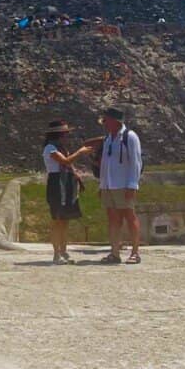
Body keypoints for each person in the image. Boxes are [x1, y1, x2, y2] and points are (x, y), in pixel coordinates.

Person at [98, 107, 143, 264]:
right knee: (112, 218)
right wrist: (102, 184)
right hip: (109, 185)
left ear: (115, 121)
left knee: (129, 216)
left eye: (106, 120)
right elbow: (105, 163)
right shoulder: (108, 138)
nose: (104, 123)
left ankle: (135, 252)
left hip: (123, 184)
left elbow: (135, 162)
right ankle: (114, 252)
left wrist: (132, 185)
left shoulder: (129, 137)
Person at [42, 120, 90, 264]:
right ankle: (56, 253)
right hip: (57, 183)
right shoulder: (50, 148)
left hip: (66, 182)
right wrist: (80, 152)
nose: (67, 137)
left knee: (64, 220)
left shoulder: (61, 148)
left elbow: (69, 165)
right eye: (65, 134)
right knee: (57, 220)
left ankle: (63, 250)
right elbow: (65, 162)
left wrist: (76, 176)